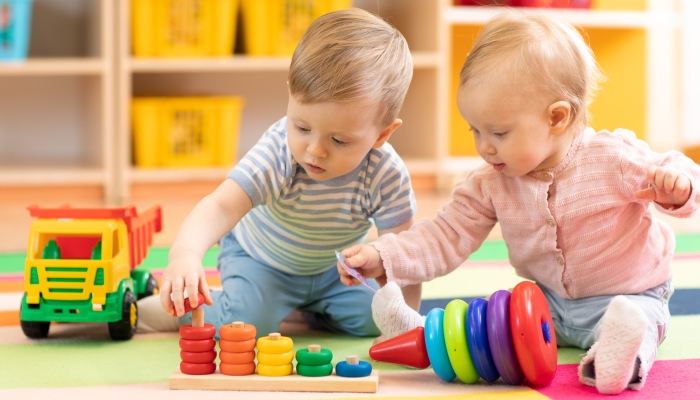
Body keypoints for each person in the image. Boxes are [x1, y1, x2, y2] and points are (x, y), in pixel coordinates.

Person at [338, 10, 700, 395]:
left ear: (557, 118)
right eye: (474, 130)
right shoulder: (490, 180)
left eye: (498, 132)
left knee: (640, 322)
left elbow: (677, 171)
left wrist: (678, 186)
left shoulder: (612, 157)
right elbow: (445, 234)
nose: (483, 146)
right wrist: (385, 257)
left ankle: (613, 362)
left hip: (629, 294)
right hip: (548, 305)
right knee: (490, 329)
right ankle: (420, 335)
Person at [137, 8, 422, 339]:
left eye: (339, 140)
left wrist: (405, 321)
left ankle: (313, 310)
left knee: (377, 318)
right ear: (290, 95)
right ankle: (181, 313)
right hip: (261, 262)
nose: (315, 149)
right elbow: (219, 207)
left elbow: (401, 254)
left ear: (382, 135)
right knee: (244, 326)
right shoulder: (278, 154)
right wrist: (184, 255)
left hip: (334, 271)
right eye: (301, 126)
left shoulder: (386, 174)